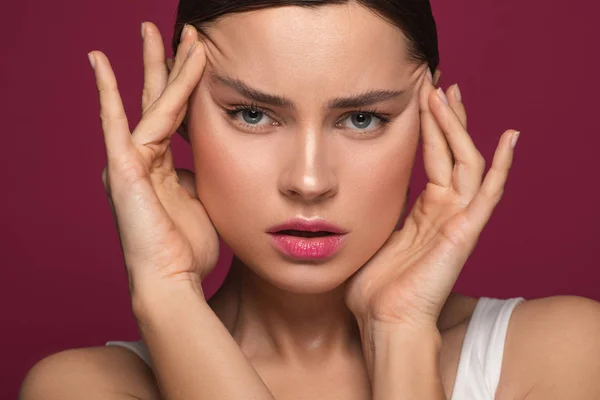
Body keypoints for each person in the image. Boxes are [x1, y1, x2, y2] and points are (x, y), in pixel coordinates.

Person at [19, 1, 600, 399]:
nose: (310, 180)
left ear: (430, 114)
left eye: (362, 117)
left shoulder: (562, 355)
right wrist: (166, 293)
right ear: (181, 107)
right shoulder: (86, 387)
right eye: (252, 114)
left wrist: (400, 333)